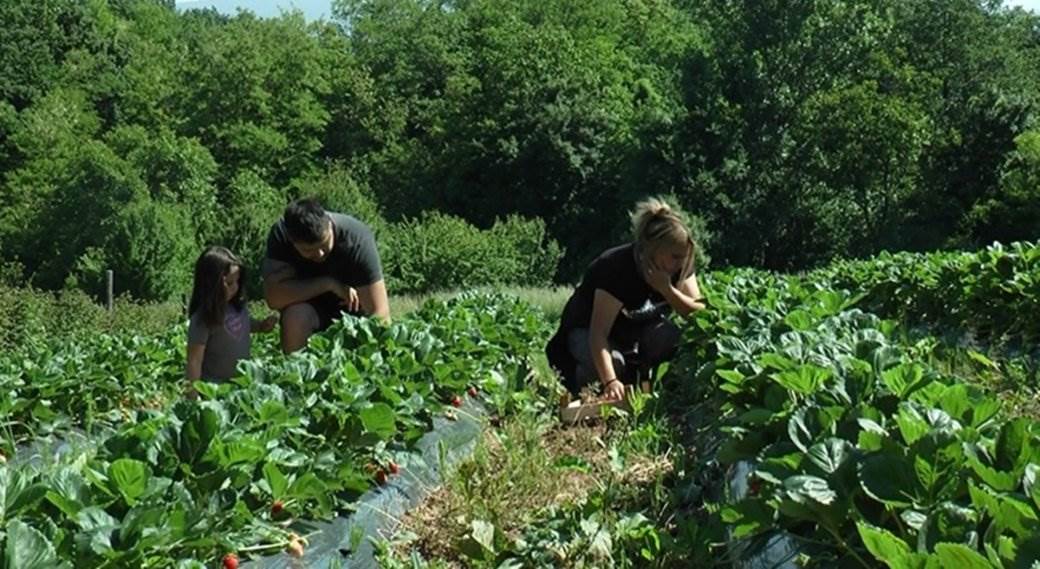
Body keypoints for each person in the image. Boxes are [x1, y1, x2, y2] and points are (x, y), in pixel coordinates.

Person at [546, 197, 706, 400]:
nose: (680, 262)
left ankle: (656, 388)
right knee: (614, 364)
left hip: (632, 333)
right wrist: (610, 381)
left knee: (672, 339)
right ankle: (580, 386)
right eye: (674, 256)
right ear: (653, 251)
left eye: (684, 256)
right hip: (585, 332)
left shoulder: (679, 265)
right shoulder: (616, 268)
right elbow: (598, 334)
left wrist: (667, 290)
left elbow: (700, 316)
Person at [262, 198, 390, 353]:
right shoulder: (281, 236)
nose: (319, 254)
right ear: (292, 241)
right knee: (295, 317)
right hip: (308, 309)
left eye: (324, 244)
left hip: (355, 314)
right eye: (308, 250)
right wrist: (327, 284)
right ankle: (297, 372)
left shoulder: (357, 238)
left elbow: (380, 312)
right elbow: (274, 298)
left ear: (329, 225)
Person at [186, 246, 278, 393]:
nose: (234, 287)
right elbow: (194, 361)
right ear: (211, 284)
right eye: (228, 283)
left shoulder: (237, 307)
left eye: (237, 281)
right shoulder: (203, 318)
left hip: (242, 385)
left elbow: (244, 325)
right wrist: (192, 396)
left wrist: (261, 326)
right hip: (215, 388)